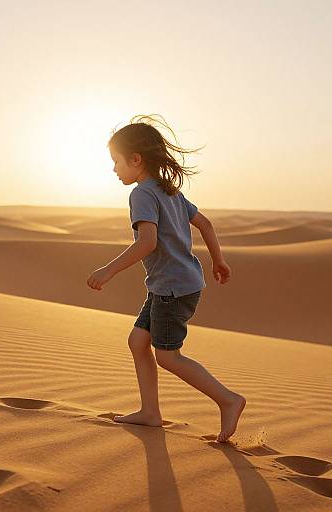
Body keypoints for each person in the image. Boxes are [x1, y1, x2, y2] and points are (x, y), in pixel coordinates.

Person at [86, 114, 246, 443]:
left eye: (116, 161)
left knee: (168, 356)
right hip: (172, 286)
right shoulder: (169, 190)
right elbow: (206, 225)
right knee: (137, 342)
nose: (114, 169)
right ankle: (150, 412)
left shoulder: (143, 194)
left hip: (171, 290)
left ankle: (228, 400)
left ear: (136, 159)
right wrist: (218, 260)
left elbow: (147, 242)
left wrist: (108, 270)